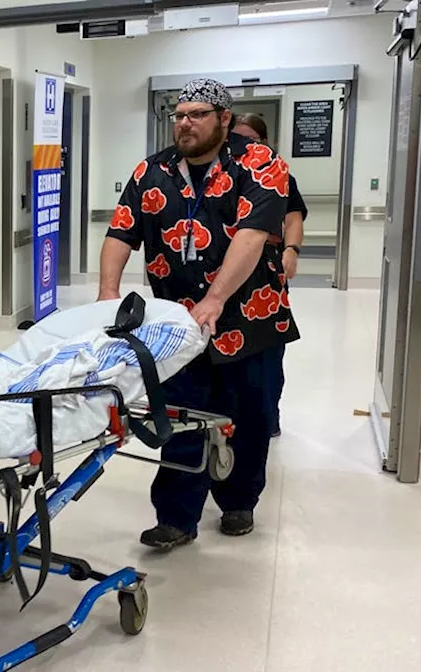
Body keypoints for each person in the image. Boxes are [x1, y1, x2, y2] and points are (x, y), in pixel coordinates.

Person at [98, 78, 299, 549]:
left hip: (250, 319)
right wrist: (109, 291)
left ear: (224, 119)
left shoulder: (260, 164)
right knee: (180, 415)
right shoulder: (152, 172)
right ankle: (176, 516)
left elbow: (251, 236)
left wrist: (216, 298)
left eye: (197, 115)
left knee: (250, 415)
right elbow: (120, 233)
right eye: (179, 115)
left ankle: (238, 503)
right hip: (177, 322)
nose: (184, 124)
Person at [232, 113, 308, 438]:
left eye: (253, 139)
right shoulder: (219, 175)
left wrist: (291, 249)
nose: (246, 146)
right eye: (238, 138)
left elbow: (293, 217)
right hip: (227, 271)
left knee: (268, 349)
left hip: (266, 271)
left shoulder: (277, 175)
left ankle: (267, 416)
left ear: (264, 142)